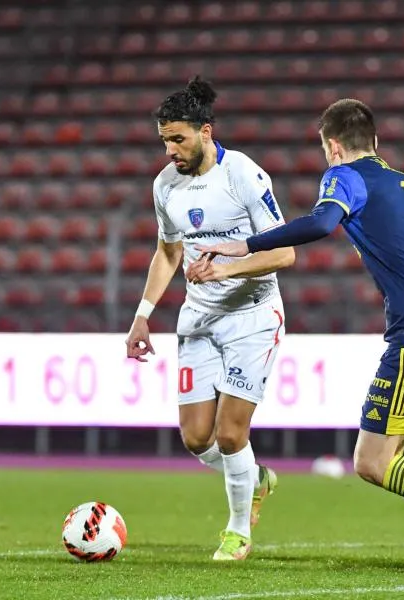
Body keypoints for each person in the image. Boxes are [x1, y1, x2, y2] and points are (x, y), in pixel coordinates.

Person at [194, 99, 404, 577]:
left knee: (371, 461)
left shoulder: (344, 176)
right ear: (375, 141)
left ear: (332, 146)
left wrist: (243, 244)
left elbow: (324, 223)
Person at [124, 77, 295, 561]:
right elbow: (167, 251)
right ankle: (255, 477)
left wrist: (225, 268)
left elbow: (284, 254)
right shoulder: (165, 185)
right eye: (164, 140)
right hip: (197, 318)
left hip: (253, 315)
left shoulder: (244, 175)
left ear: (205, 131)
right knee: (197, 438)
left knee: (229, 433)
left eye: (177, 138)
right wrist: (143, 315)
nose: (170, 150)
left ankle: (237, 531)